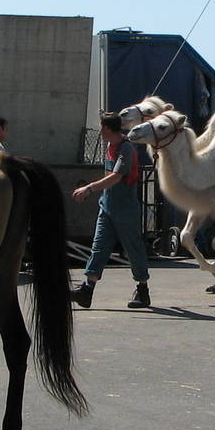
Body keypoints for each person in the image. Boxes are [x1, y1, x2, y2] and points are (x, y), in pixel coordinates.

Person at [70, 112, 151, 309]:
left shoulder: (126, 149)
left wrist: (89, 188)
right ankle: (87, 290)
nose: (100, 130)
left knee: (133, 249)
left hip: (125, 209)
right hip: (107, 207)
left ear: (106, 128)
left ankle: (142, 289)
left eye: (101, 127)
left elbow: (116, 176)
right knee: (99, 247)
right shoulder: (110, 146)